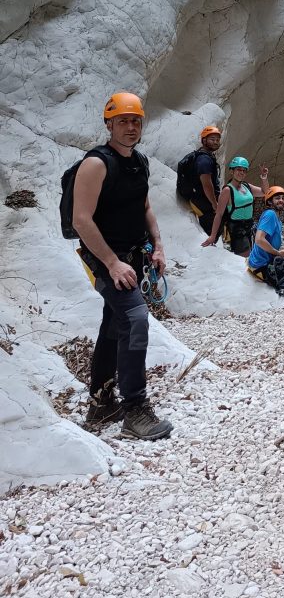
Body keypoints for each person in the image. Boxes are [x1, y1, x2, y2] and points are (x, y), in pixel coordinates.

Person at [72, 92, 173, 441]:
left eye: (136, 121)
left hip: (131, 256)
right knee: (135, 318)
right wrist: (112, 264)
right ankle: (134, 408)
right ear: (109, 123)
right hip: (103, 259)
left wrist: (157, 245)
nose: (130, 127)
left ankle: (101, 404)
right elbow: (81, 220)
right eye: (123, 121)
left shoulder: (139, 162)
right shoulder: (97, 164)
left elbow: (144, 207)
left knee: (114, 323)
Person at [201, 157, 270, 256]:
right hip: (237, 228)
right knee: (244, 256)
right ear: (232, 171)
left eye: (244, 170)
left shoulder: (246, 186)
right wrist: (213, 236)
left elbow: (265, 192)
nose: (241, 173)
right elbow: (219, 214)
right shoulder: (227, 190)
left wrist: (264, 177)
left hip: (249, 225)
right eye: (238, 169)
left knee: (254, 254)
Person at [247, 186, 284, 278]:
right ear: (270, 202)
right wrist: (278, 253)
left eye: (283, 198)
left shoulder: (275, 216)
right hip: (260, 265)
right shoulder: (270, 214)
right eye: (277, 198)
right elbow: (259, 240)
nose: (281, 200)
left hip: (266, 260)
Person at [188, 125, 222, 236]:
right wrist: (214, 204)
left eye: (217, 140)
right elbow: (207, 184)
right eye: (212, 139)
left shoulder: (206, 156)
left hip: (203, 200)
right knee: (211, 233)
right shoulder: (204, 159)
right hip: (204, 202)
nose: (216, 142)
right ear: (204, 140)